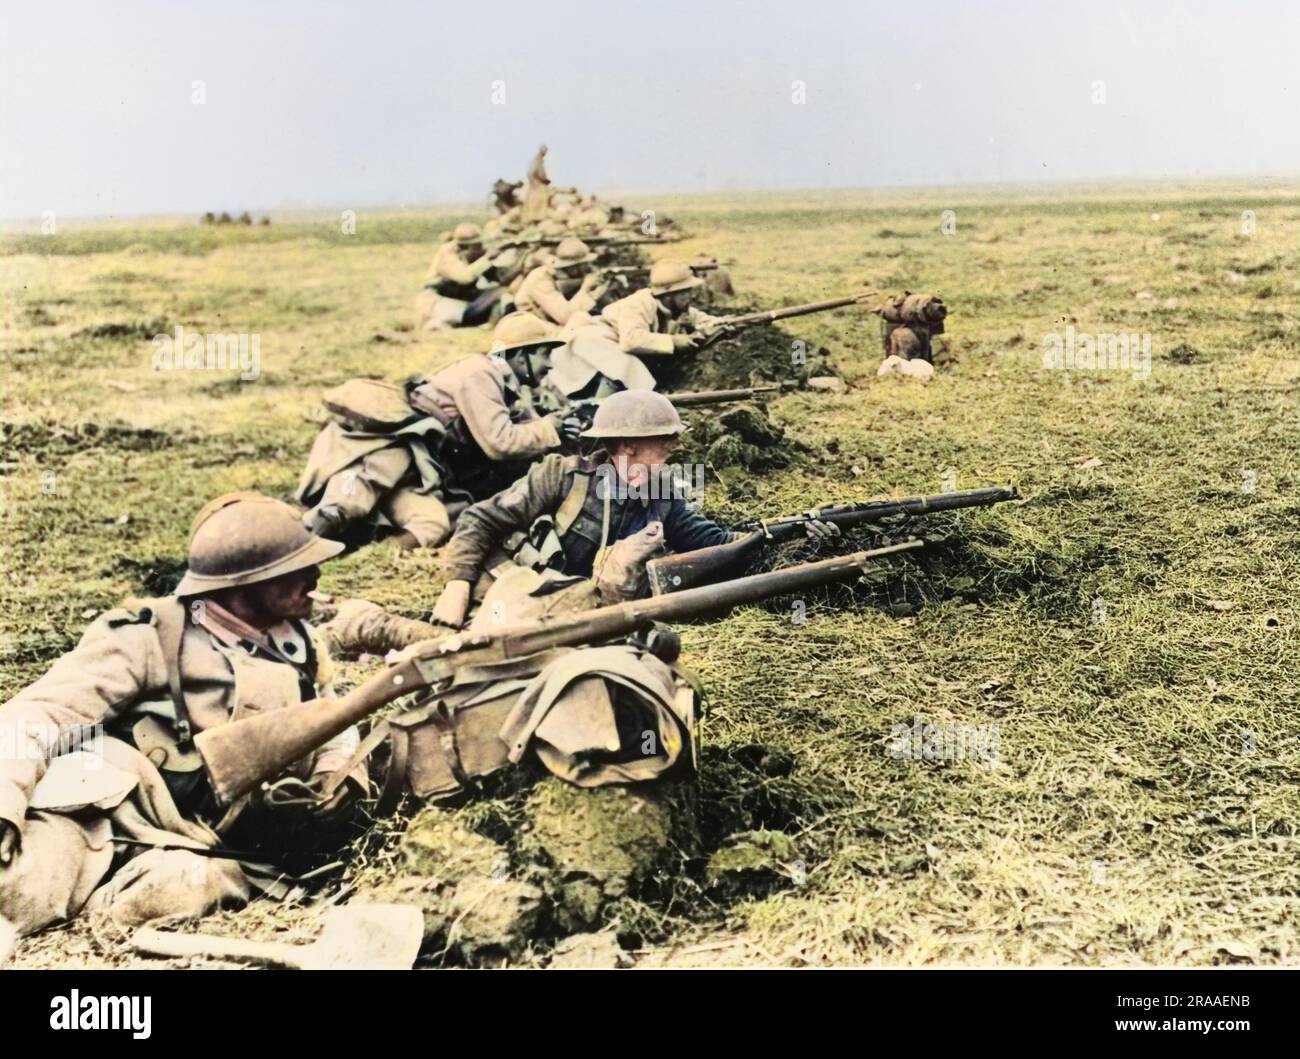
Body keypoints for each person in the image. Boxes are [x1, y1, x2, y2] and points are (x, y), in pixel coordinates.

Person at [0, 493, 367, 940]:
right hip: (113, 812)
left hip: (211, 839)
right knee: (21, 887)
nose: (315, 574)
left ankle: (125, 893)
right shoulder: (150, 637)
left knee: (187, 886)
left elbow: (334, 721)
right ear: (243, 583)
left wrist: (337, 774)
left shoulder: (300, 643)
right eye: (293, 568)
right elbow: (38, 715)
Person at [428, 391, 837, 627]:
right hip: (517, 598)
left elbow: (715, 542)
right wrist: (456, 587)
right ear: (627, 446)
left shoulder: (662, 492)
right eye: (664, 442)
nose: (675, 449)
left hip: (588, 614)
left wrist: (789, 535)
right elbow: (480, 519)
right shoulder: (561, 477)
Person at [297, 313, 582, 550]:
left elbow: (526, 429)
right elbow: (501, 443)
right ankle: (295, 545)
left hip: (424, 469)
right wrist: (548, 429)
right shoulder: (480, 373)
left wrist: (559, 430)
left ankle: (370, 555)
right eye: (545, 354)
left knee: (436, 524)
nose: (549, 364)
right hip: (392, 446)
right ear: (520, 355)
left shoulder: (510, 388)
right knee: (348, 502)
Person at [548, 260, 731, 397]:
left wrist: (725, 324)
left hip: (608, 344)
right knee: (625, 369)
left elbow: (704, 321)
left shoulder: (676, 307)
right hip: (592, 340)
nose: (691, 296)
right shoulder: (638, 304)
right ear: (669, 293)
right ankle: (599, 412)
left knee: (627, 372)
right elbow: (631, 341)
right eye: (686, 291)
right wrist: (676, 341)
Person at [418, 222, 513, 330]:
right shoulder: (447, 254)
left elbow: (502, 278)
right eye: (477, 246)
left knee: (504, 293)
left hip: (464, 302)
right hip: (439, 303)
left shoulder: (474, 256)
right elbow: (465, 277)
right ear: (465, 247)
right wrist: (488, 257)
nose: (481, 248)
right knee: (499, 293)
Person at [513, 237, 609, 325]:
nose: (588, 268)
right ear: (573, 268)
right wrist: (585, 288)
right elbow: (565, 318)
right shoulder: (541, 278)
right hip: (532, 326)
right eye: (584, 265)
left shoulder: (564, 276)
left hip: (550, 322)